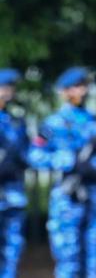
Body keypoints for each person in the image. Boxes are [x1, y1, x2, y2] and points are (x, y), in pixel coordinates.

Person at [29, 66, 96, 278]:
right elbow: (35, 156)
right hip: (67, 197)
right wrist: (69, 162)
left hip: (95, 195)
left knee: (94, 260)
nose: (81, 92)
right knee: (68, 261)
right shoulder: (52, 123)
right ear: (63, 91)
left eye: (84, 87)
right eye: (76, 87)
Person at [0, 68, 28, 278]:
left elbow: (29, 154)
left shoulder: (15, 122)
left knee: (12, 249)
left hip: (13, 195)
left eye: (10, 88)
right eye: (3, 88)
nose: (7, 92)